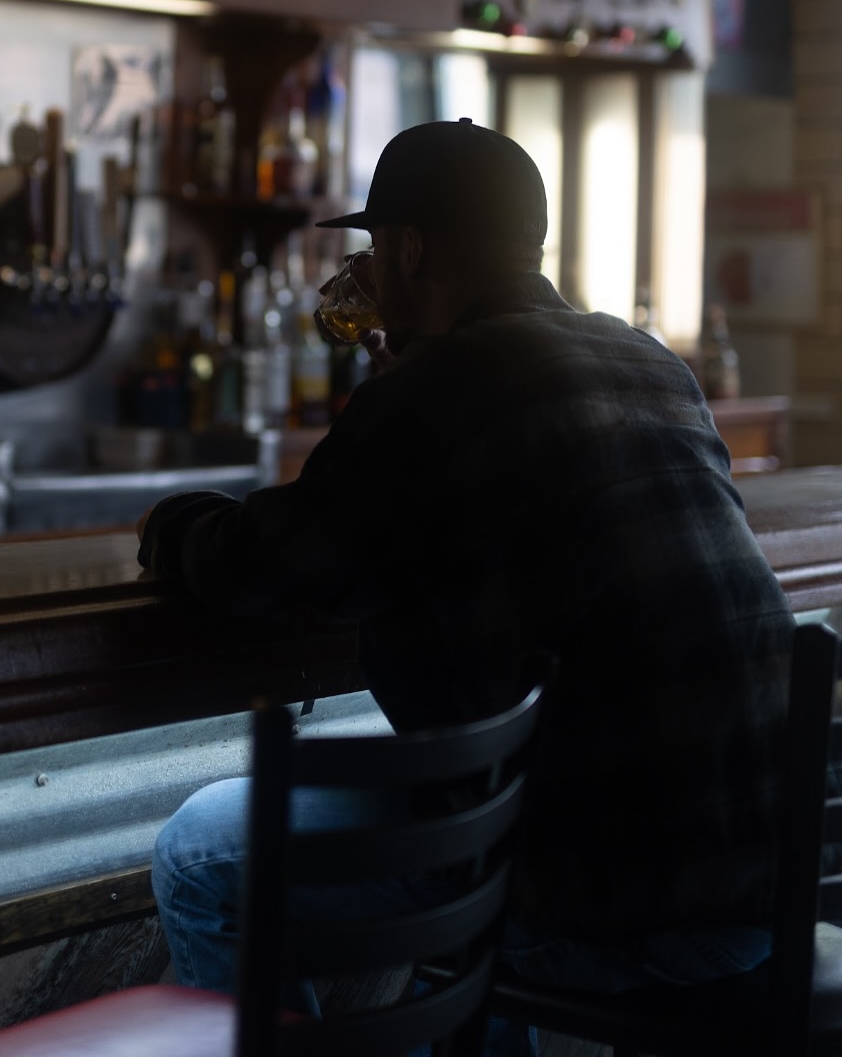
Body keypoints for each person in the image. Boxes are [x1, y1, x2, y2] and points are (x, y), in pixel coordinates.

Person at [138, 118, 795, 1055]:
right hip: (763, 882)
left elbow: (267, 568)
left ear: (409, 250)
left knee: (202, 854)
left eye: (373, 249)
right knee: (478, 847)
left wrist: (173, 525)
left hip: (604, 902)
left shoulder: (436, 388)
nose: (365, 272)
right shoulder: (651, 361)